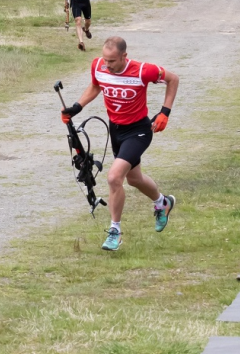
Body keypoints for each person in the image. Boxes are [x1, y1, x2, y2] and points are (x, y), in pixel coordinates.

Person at [61, 36, 179, 251]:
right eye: (105, 60)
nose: (107, 65)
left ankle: (115, 231)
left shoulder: (144, 71)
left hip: (139, 131)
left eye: (113, 61)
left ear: (124, 56)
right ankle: (163, 203)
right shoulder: (98, 65)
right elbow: (96, 85)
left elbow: (173, 79)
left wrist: (165, 112)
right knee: (134, 179)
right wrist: (77, 106)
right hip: (115, 130)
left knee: (115, 177)